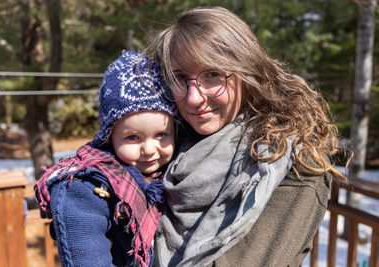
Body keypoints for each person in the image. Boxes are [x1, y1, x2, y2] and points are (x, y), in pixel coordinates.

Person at [145, 6, 347, 267]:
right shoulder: (164, 143)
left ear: (246, 71)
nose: (194, 98)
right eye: (180, 77)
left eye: (213, 75)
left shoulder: (291, 159)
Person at [34, 50, 179, 267]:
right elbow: (86, 256)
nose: (149, 149)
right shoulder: (86, 186)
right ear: (109, 137)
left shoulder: (170, 173)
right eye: (133, 137)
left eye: (161, 134)